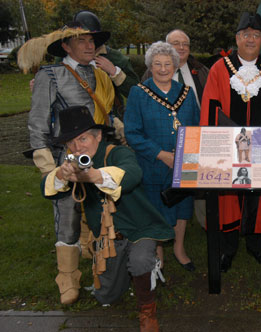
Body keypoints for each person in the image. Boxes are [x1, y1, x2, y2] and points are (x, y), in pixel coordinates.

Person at [42, 106, 173, 332]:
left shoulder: (117, 153)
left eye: (83, 138)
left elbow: (132, 173)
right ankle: (132, 274)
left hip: (140, 228)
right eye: (71, 142)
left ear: (98, 135)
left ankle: (147, 311)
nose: (77, 146)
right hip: (108, 239)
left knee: (140, 260)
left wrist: (94, 175)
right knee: (107, 295)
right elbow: (48, 190)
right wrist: (63, 175)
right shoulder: (74, 162)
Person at [18, 21, 115, 305]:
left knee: (101, 208)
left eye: (92, 41)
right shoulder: (51, 74)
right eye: (82, 40)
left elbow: (107, 113)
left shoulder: (99, 73)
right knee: (68, 214)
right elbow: (37, 121)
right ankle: (68, 277)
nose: (89, 46)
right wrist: (47, 167)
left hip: (99, 151)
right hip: (67, 154)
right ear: (65, 45)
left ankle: (96, 258)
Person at [200, 12, 261, 272]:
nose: (251, 40)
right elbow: (211, 107)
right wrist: (224, 141)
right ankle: (229, 250)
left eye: (256, 35)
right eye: (245, 35)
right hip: (228, 149)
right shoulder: (220, 68)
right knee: (228, 199)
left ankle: (256, 246)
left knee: (260, 197)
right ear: (237, 38)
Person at [125, 41, 200, 272]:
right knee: (156, 209)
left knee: (182, 207)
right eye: (157, 64)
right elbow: (132, 133)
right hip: (152, 164)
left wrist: (187, 152)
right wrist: (161, 154)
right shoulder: (138, 93)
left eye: (168, 64)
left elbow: (197, 127)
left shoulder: (186, 93)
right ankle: (158, 253)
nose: (163, 69)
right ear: (150, 66)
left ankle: (179, 248)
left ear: (175, 66)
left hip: (184, 164)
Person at [143, 29, 209, 229]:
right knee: (161, 198)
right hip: (159, 149)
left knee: (186, 197)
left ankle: (195, 229)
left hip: (192, 144)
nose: (181, 48)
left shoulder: (202, 72)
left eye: (185, 44)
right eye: (175, 43)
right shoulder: (148, 78)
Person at [74, 10, 140, 120]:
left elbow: (137, 93)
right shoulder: (66, 57)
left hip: (110, 122)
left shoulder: (116, 58)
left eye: (91, 39)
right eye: (81, 39)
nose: (87, 45)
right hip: (76, 121)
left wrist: (114, 72)